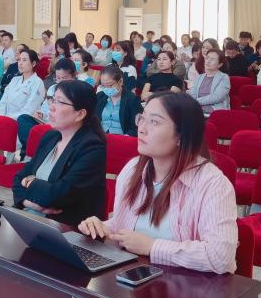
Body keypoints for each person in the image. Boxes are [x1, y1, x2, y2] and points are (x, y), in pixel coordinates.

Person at [78, 93, 237, 274]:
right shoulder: (133, 169)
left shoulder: (213, 184)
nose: (141, 129)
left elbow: (220, 257)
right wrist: (102, 228)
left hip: (185, 284)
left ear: (181, 135)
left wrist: (152, 247)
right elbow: (125, 227)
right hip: (134, 276)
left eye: (154, 122)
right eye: (142, 118)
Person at [13, 80, 107, 226]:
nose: (51, 107)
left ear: (80, 114)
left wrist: (29, 182)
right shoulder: (50, 137)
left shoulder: (92, 148)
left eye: (60, 102)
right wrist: (27, 202)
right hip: (30, 215)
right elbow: (18, 178)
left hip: (64, 228)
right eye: (53, 99)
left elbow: (56, 195)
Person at [18, 57, 76, 153]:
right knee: (23, 119)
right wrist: (41, 114)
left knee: (44, 133)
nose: (60, 82)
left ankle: (34, 150)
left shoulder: (77, 91)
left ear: (74, 75)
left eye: (64, 78)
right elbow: (45, 109)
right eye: (58, 78)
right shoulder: (52, 88)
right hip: (46, 122)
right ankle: (35, 149)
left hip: (61, 126)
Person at [0, 49, 46, 121]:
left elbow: (29, 110)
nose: (20, 63)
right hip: (4, 119)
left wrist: (8, 119)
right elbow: (3, 101)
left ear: (33, 63)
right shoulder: (15, 80)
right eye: (19, 60)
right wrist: (0, 117)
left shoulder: (37, 83)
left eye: (24, 60)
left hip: (21, 122)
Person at [96, 65, 142, 136]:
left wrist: (124, 138)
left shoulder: (132, 99)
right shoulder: (100, 96)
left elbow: (136, 127)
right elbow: (93, 119)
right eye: (103, 86)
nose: (106, 88)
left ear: (120, 81)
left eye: (110, 85)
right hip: (100, 136)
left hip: (122, 137)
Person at [190, 48, 231, 116]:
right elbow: (193, 94)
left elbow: (217, 97)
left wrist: (196, 102)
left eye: (212, 59)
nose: (208, 61)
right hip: (198, 112)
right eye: (207, 58)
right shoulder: (199, 77)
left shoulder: (224, 77)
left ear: (220, 64)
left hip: (215, 113)